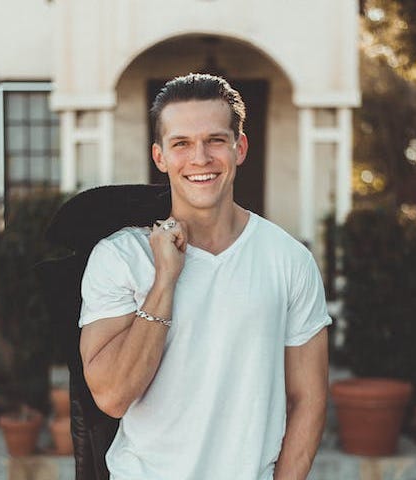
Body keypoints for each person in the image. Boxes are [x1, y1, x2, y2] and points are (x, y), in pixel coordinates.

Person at [78, 73, 332, 480]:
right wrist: (164, 282)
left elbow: (309, 398)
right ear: (160, 156)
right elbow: (112, 396)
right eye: (181, 143)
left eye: (215, 140)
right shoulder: (120, 258)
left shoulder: (288, 260)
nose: (200, 158)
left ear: (240, 148)